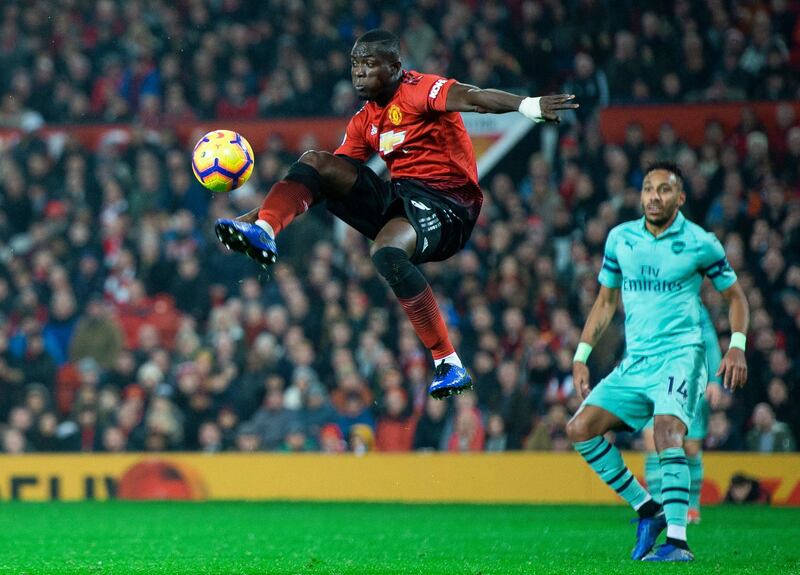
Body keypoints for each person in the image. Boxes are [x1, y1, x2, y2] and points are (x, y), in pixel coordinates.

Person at [215, 29, 577, 399]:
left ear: (395, 67)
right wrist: (254, 218)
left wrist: (526, 106)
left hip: (448, 203)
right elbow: (319, 185)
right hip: (401, 196)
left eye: (370, 65)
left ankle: (448, 362)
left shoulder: (421, 90)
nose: (359, 73)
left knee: (386, 252)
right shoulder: (364, 120)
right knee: (317, 164)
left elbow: (474, 98)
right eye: (356, 65)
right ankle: (265, 230)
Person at [566, 161, 749, 562]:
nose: (653, 196)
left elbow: (735, 297)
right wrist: (581, 356)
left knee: (667, 430)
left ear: (680, 198)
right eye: (648, 188)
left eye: (664, 190)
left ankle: (679, 543)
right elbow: (605, 302)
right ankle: (648, 509)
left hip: (682, 356)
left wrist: (736, 345)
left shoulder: (701, 243)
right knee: (580, 428)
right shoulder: (621, 239)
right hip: (638, 361)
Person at [642, 303, 723, 524]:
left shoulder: (691, 303)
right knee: (652, 441)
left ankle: (692, 506)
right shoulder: (643, 298)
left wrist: (714, 380)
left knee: (690, 448)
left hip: (690, 381)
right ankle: (659, 507)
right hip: (655, 382)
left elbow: (710, 341)